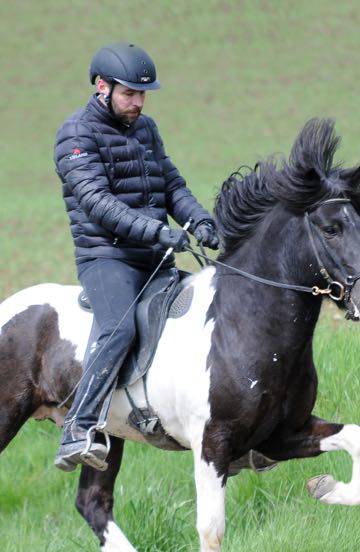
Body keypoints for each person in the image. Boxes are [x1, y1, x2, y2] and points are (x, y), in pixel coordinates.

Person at [52, 42, 219, 472]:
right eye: (129, 93)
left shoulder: (146, 129)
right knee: (119, 328)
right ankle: (78, 428)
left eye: (143, 94)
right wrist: (159, 232)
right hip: (107, 259)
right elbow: (98, 203)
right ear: (102, 87)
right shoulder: (76, 135)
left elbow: (172, 186)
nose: (138, 103)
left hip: (155, 257)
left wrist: (200, 220)